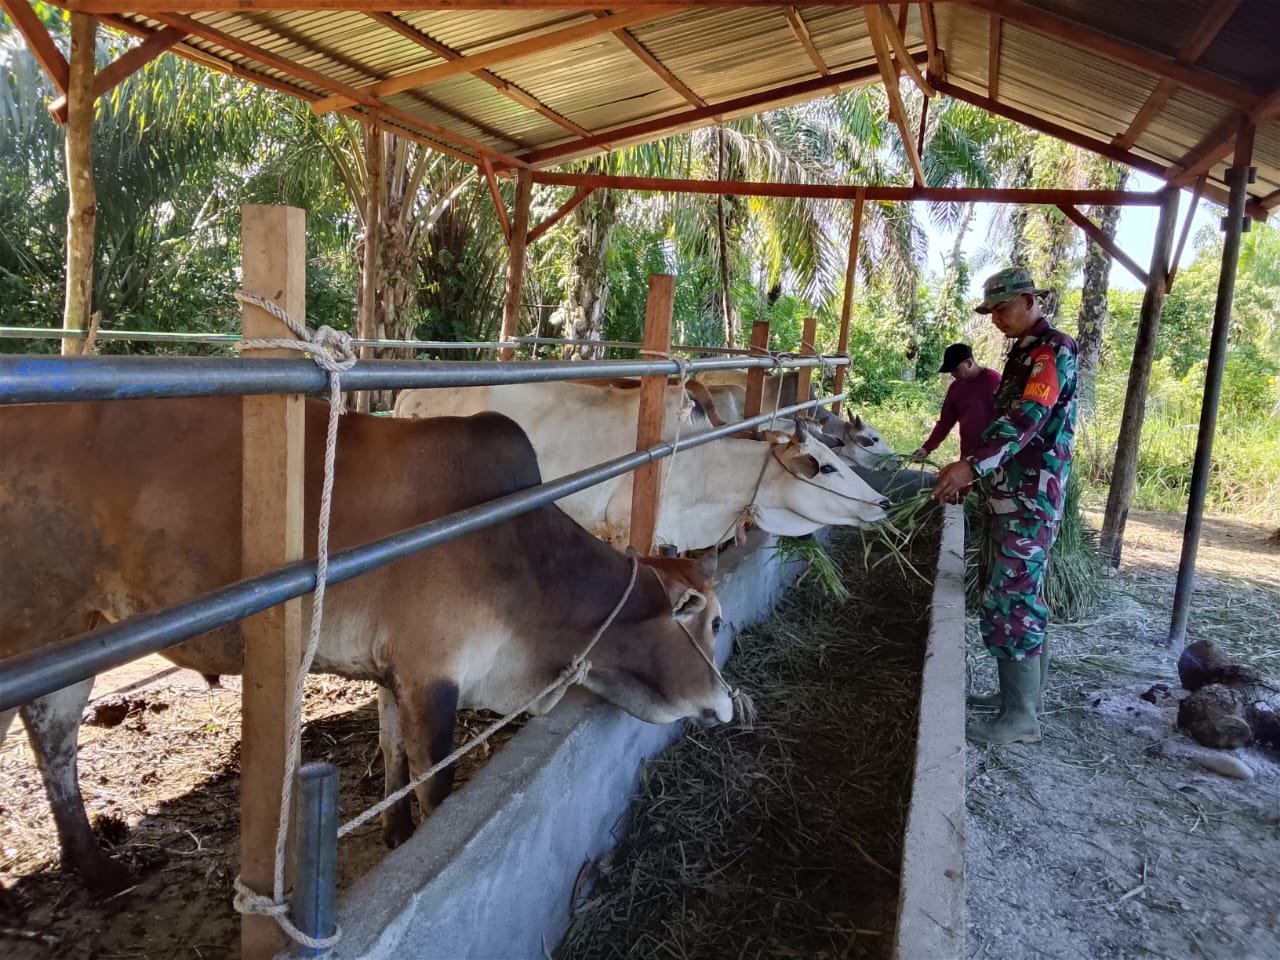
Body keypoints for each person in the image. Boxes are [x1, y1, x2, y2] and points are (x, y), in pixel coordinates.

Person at [932, 267, 1079, 746]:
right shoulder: (1023, 354)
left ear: (1030, 300)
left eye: (1002, 308)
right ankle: (1017, 700)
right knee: (1017, 593)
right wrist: (981, 473)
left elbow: (1027, 418)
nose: (995, 318)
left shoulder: (1051, 351)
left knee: (1012, 598)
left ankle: (1020, 718)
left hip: (1030, 496)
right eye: (991, 311)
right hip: (1011, 492)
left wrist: (972, 465)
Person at [911, 343, 1001, 461]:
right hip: (968, 453)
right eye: (951, 371)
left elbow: (1007, 418)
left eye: (956, 370)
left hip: (994, 454)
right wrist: (926, 448)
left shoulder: (993, 381)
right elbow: (945, 423)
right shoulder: (955, 387)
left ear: (969, 363)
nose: (953, 374)